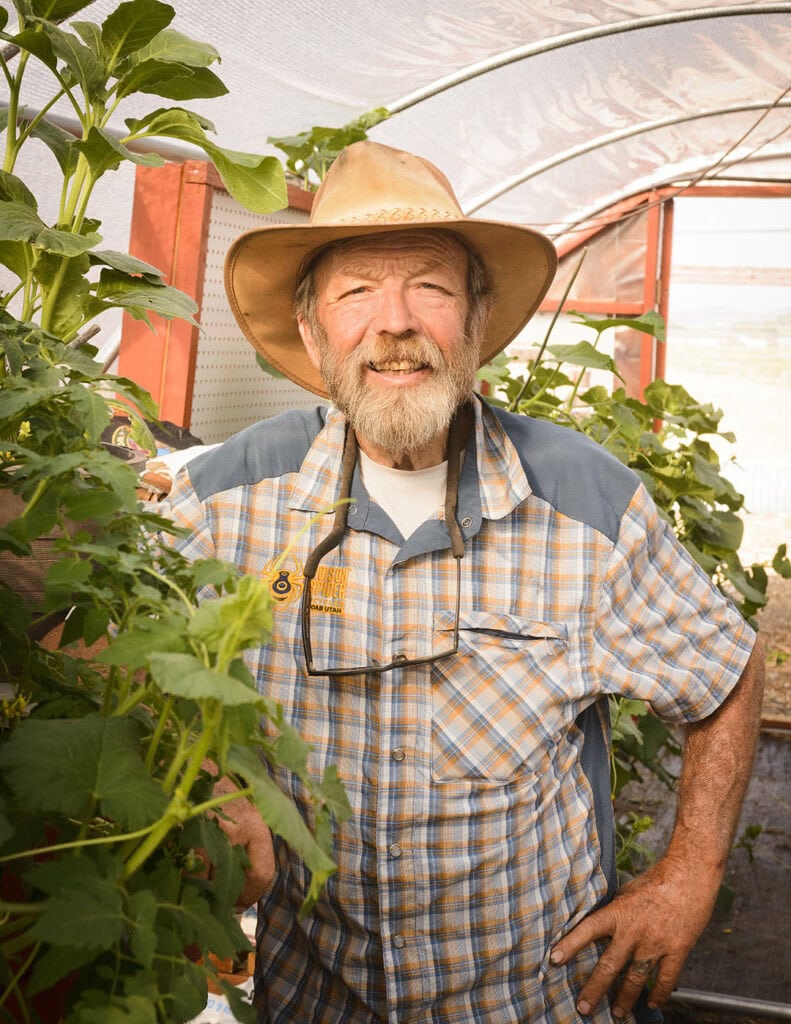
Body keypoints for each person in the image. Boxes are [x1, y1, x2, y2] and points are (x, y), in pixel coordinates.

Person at [169, 141, 764, 1024]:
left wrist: (689, 871)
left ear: (476, 326)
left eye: (431, 289)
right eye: (356, 292)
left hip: (528, 1000)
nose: (394, 321)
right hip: (312, 998)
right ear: (311, 332)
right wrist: (209, 780)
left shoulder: (584, 505)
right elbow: (122, 652)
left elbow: (724, 674)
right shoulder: (226, 498)